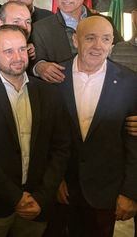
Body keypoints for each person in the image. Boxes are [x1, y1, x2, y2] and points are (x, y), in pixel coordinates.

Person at [0, 25, 70, 237]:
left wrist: (41, 196)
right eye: (8, 51)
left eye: (22, 49)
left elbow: (61, 148)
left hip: (36, 205)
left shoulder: (49, 93)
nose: (17, 57)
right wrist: (15, 197)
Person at [50, 16, 137, 237]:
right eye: (90, 38)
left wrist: (130, 192)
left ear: (112, 44)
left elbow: (133, 142)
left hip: (105, 192)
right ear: (75, 40)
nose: (98, 46)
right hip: (62, 190)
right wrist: (54, 178)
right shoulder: (54, 77)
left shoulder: (129, 82)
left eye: (106, 39)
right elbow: (46, 135)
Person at [31, 0, 122, 83]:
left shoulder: (105, 22)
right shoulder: (40, 28)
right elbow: (29, 62)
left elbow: (122, 56)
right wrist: (38, 67)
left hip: (103, 91)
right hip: (61, 94)